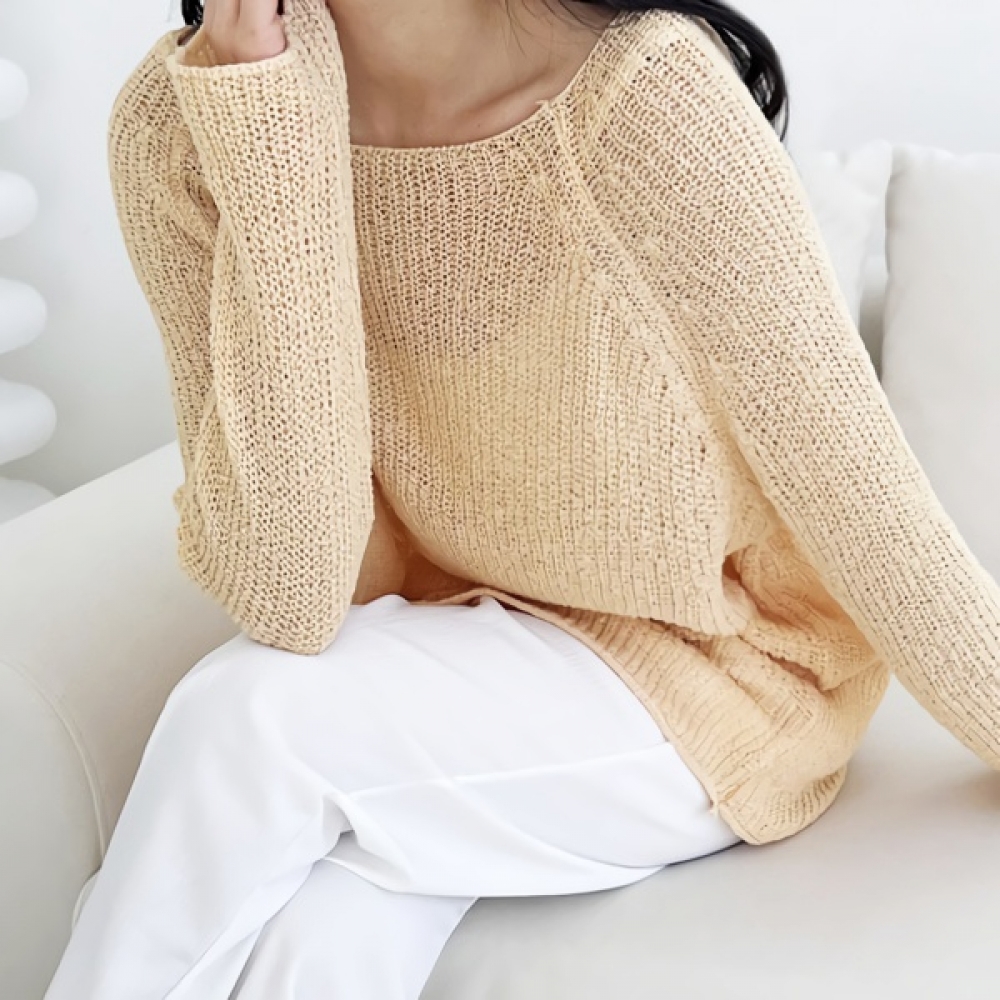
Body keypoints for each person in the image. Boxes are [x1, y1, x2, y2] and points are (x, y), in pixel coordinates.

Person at [45, 0, 1000, 997]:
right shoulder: (185, 125)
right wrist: (269, 124)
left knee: (247, 717)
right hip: (454, 659)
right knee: (320, 925)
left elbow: (867, 504)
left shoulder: (644, 98)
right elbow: (294, 592)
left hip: (719, 672)